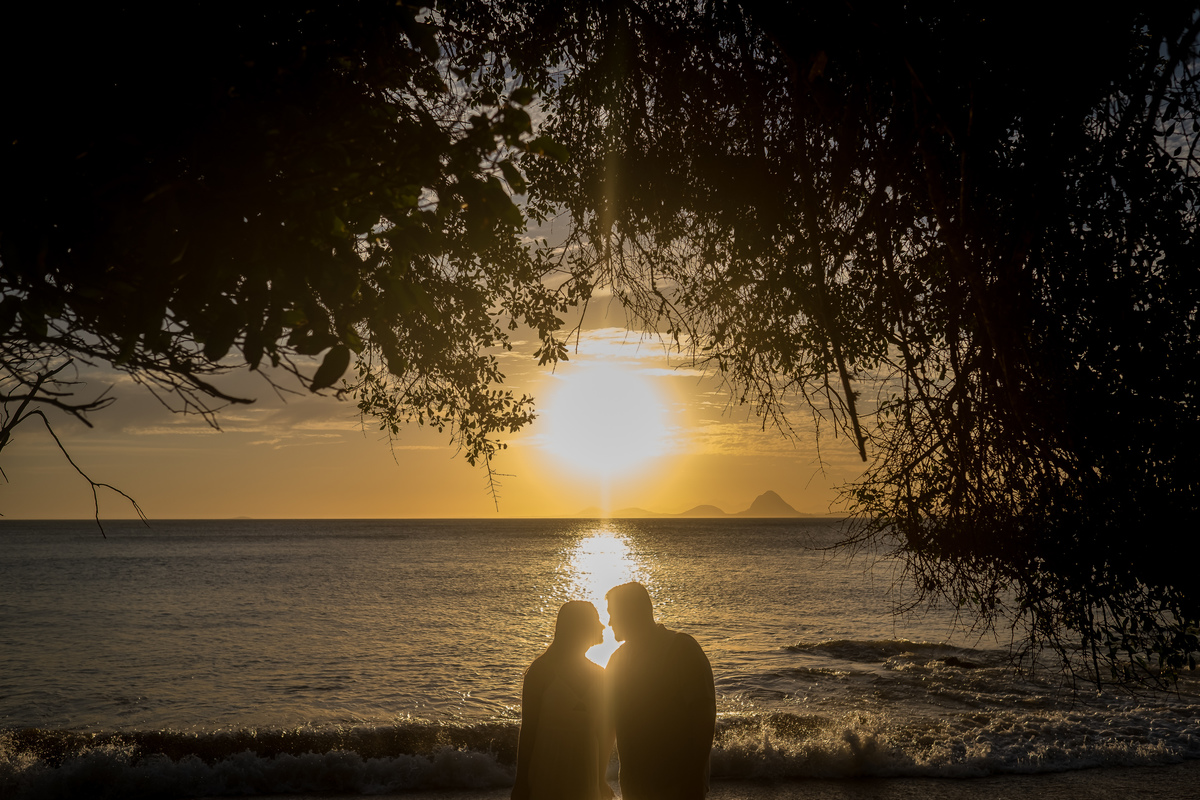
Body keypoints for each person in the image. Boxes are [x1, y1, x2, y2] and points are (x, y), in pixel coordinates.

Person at [605, 582, 716, 800]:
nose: (609, 622)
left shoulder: (681, 649)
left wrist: (694, 778)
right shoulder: (617, 660)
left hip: (679, 785)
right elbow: (607, 720)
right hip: (634, 784)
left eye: (613, 614)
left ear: (631, 612)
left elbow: (704, 716)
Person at [512, 600, 613, 800]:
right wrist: (521, 782)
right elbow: (528, 731)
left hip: (586, 778)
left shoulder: (600, 675)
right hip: (546, 776)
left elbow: (606, 733)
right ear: (578, 627)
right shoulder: (540, 672)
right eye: (595, 620)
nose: (602, 626)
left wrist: (601, 779)